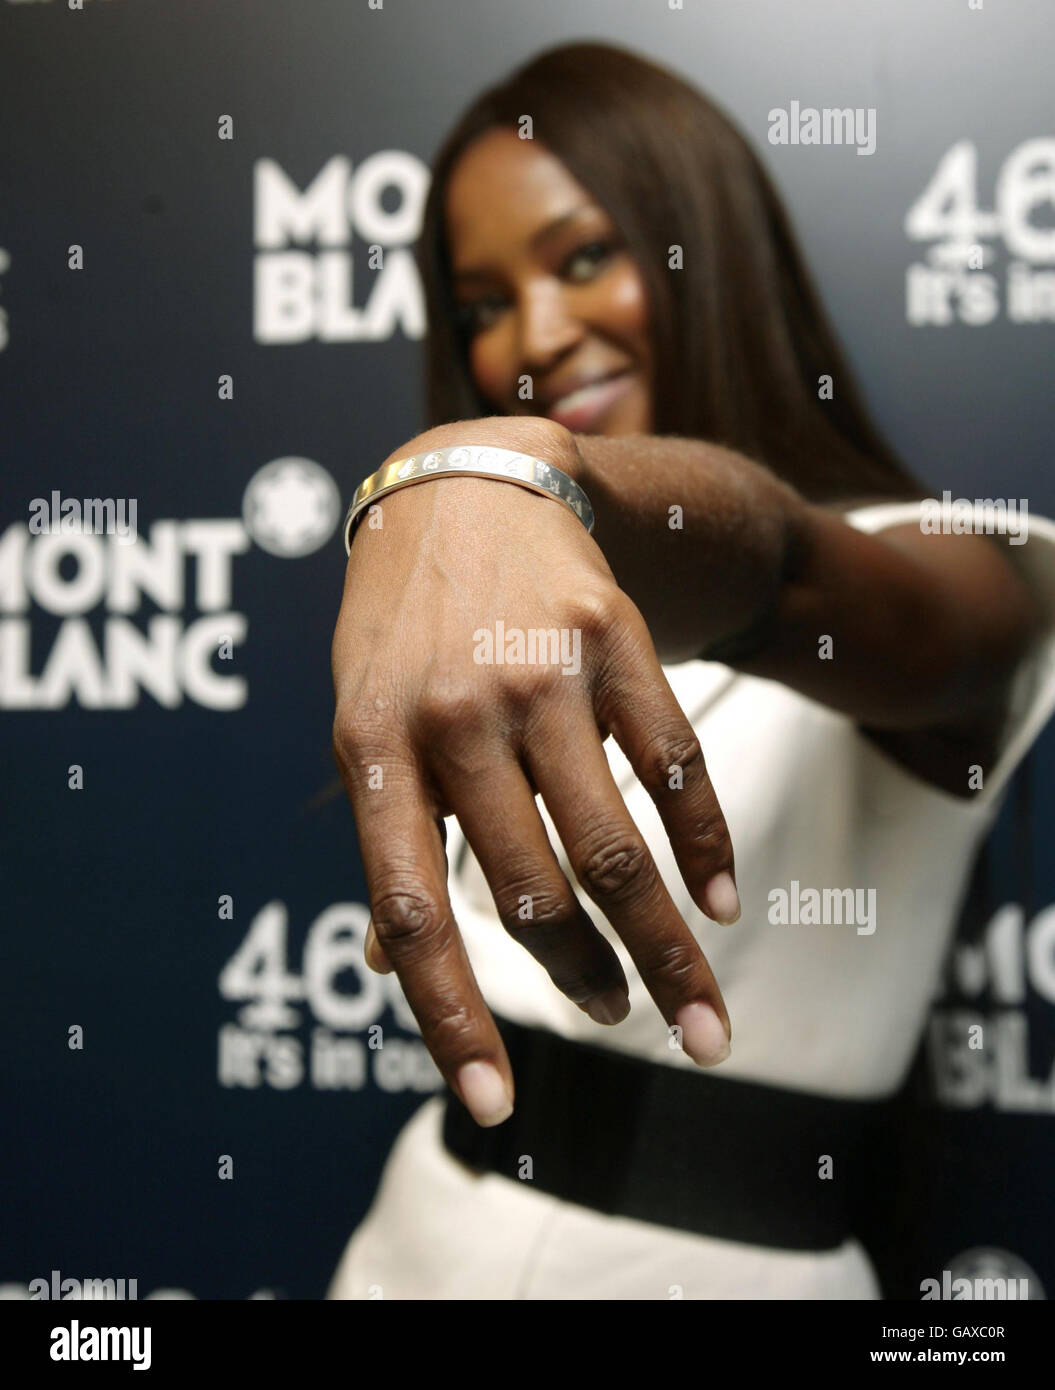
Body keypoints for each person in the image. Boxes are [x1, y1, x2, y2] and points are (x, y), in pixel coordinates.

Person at [326, 42, 1055, 1298]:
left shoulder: (930, 572)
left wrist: (511, 479)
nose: (534, 336)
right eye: (480, 302)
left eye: (584, 257)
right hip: (411, 1247)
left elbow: (774, 562)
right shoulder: (487, 637)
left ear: (700, 247)